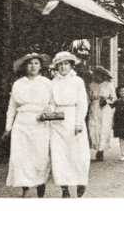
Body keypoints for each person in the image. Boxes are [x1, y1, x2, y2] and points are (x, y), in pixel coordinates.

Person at [2, 53, 52, 198]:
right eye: (30, 64)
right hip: (22, 123)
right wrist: (8, 127)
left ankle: (40, 182)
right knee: (22, 156)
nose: (33, 66)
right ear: (25, 66)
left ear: (40, 66)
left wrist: (47, 113)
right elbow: (12, 107)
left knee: (41, 154)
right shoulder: (18, 84)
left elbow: (52, 103)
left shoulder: (46, 83)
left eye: (36, 63)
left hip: (40, 122)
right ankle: (24, 188)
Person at [47, 51, 90, 198]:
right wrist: (49, 113)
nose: (63, 67)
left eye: (66, 64)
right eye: (60, 64)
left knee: (77, 154)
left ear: (71, 65)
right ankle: (64, 188)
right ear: (56, 67)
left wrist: (79, 122)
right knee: (59, 155)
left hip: (73, 119)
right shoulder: (52, 83)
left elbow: (82, 103)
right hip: (57, 122)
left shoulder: (78, 81)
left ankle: (80, 182)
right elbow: (51, 102)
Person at [87, 66, 116, 161]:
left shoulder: (109, 85)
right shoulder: (92, 85)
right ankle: (96, 147)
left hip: (104, 109)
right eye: (95, 75)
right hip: (94, 107)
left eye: (98, 75)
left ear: (103, 76)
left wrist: (107, 101)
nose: (96, 77)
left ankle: (101, 150)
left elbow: (113, 98)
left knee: (104, 127)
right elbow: (89, 97)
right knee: (93, 127)